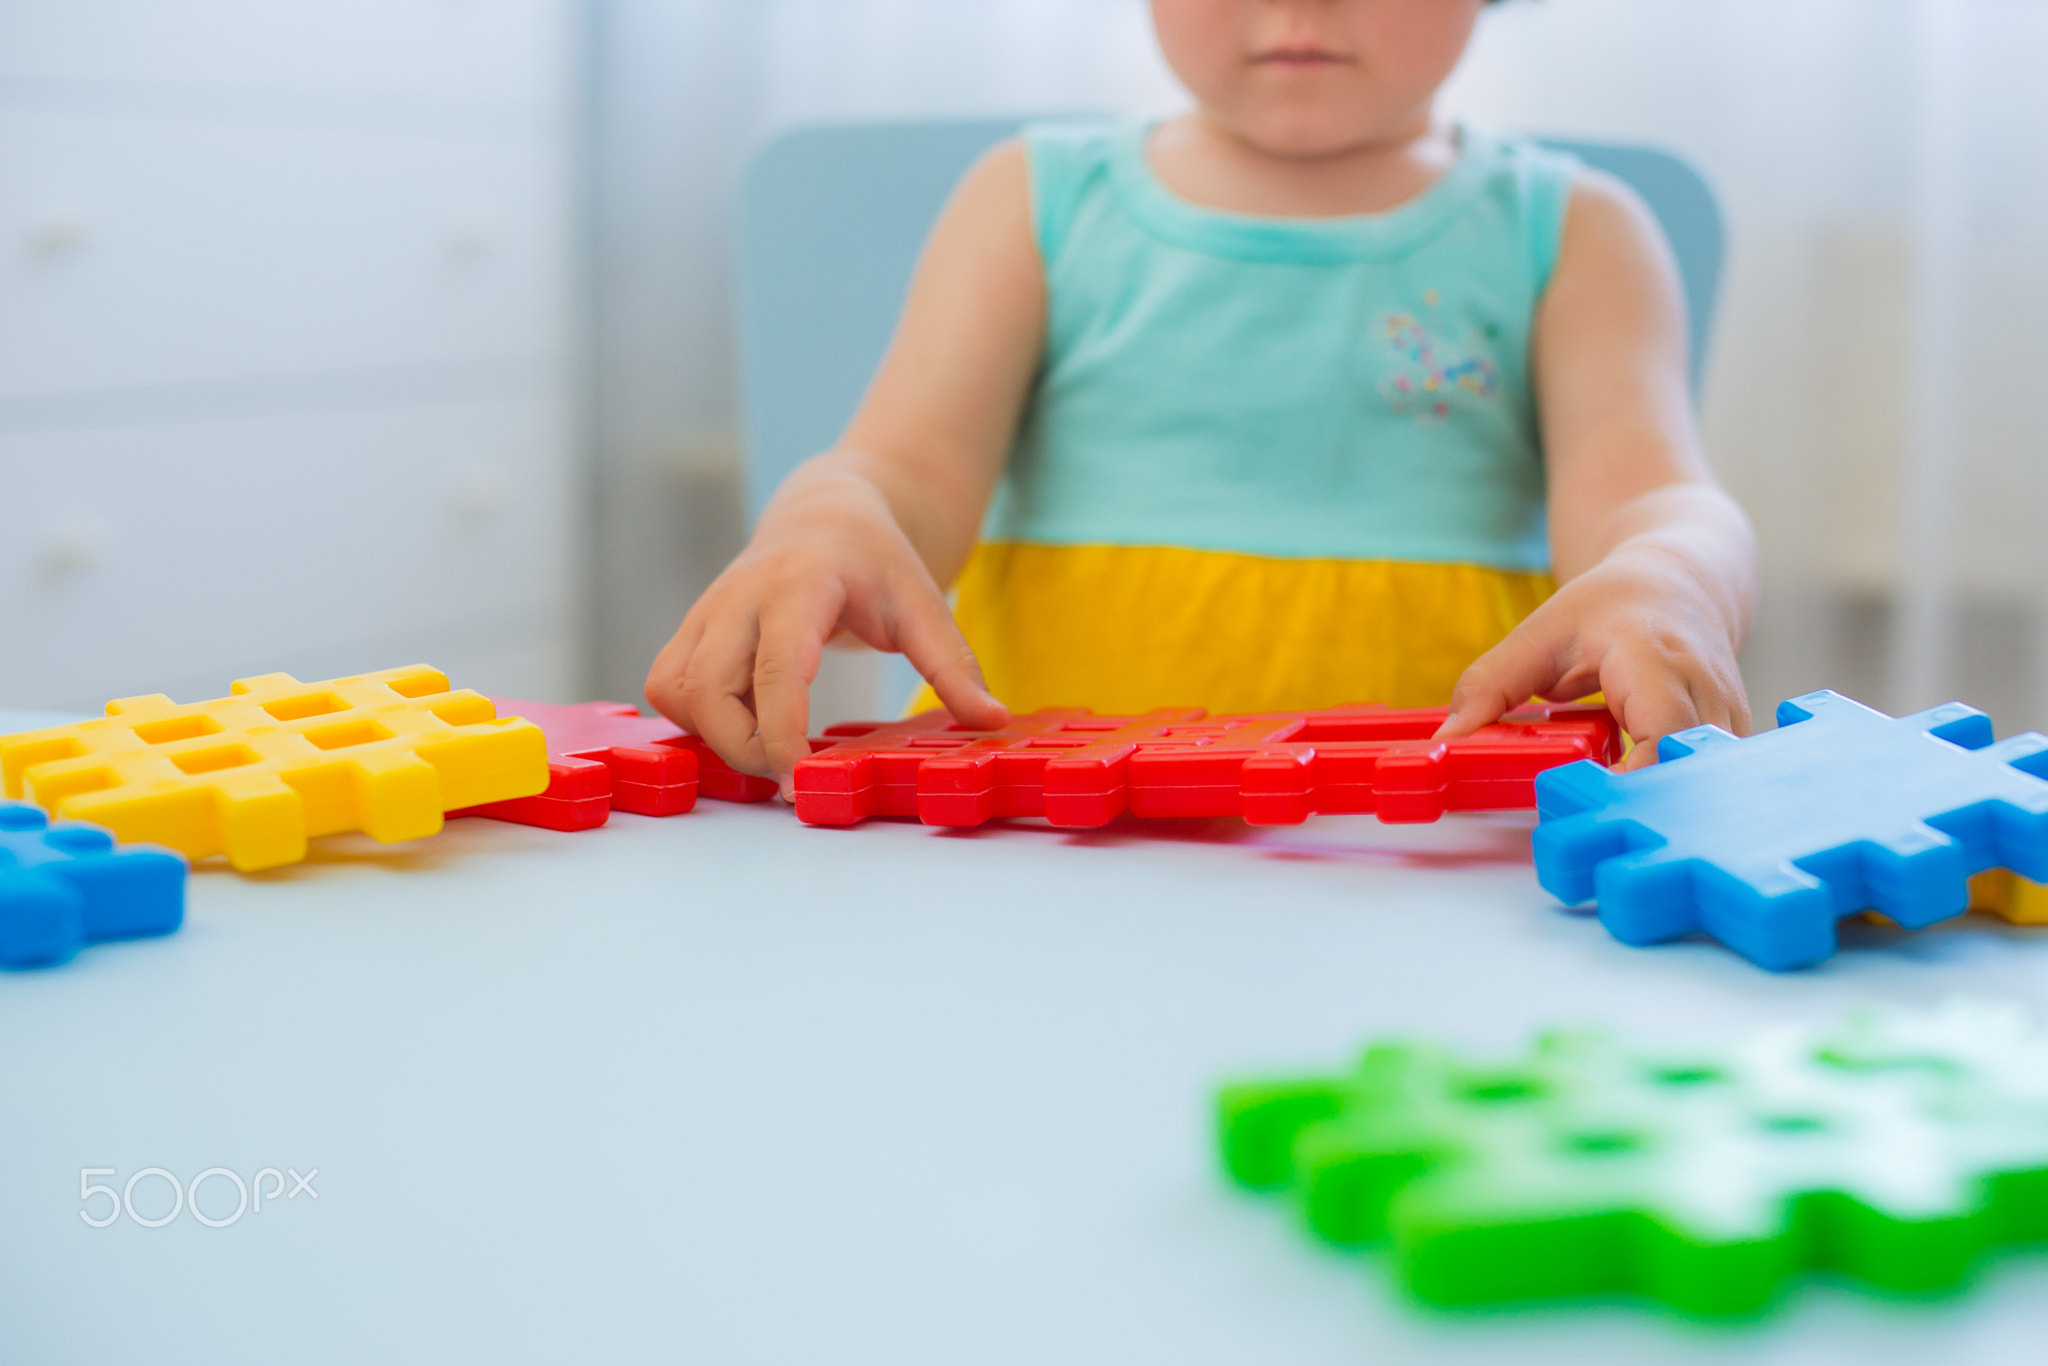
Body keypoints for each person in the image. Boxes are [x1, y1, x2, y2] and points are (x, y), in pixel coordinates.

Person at [648, 0, 1757, 799]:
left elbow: (1650, 496)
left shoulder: (1570, 230)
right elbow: (901, 476)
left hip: (1420, 842)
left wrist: (1667, 578)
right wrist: (824, 517)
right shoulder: (1035, 199)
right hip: (1040, 836)